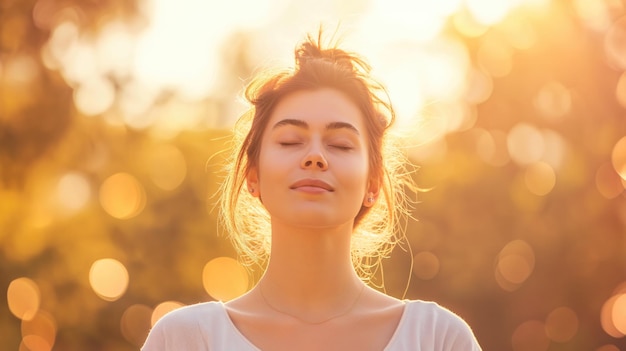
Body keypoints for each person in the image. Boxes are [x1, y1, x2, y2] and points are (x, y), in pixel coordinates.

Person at [142, 30, 482, 351]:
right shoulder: (184, 339)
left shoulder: (437, 337)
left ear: (373, 183)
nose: (315, 157)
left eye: (340, 144)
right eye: (291, 140)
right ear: (253, 175)